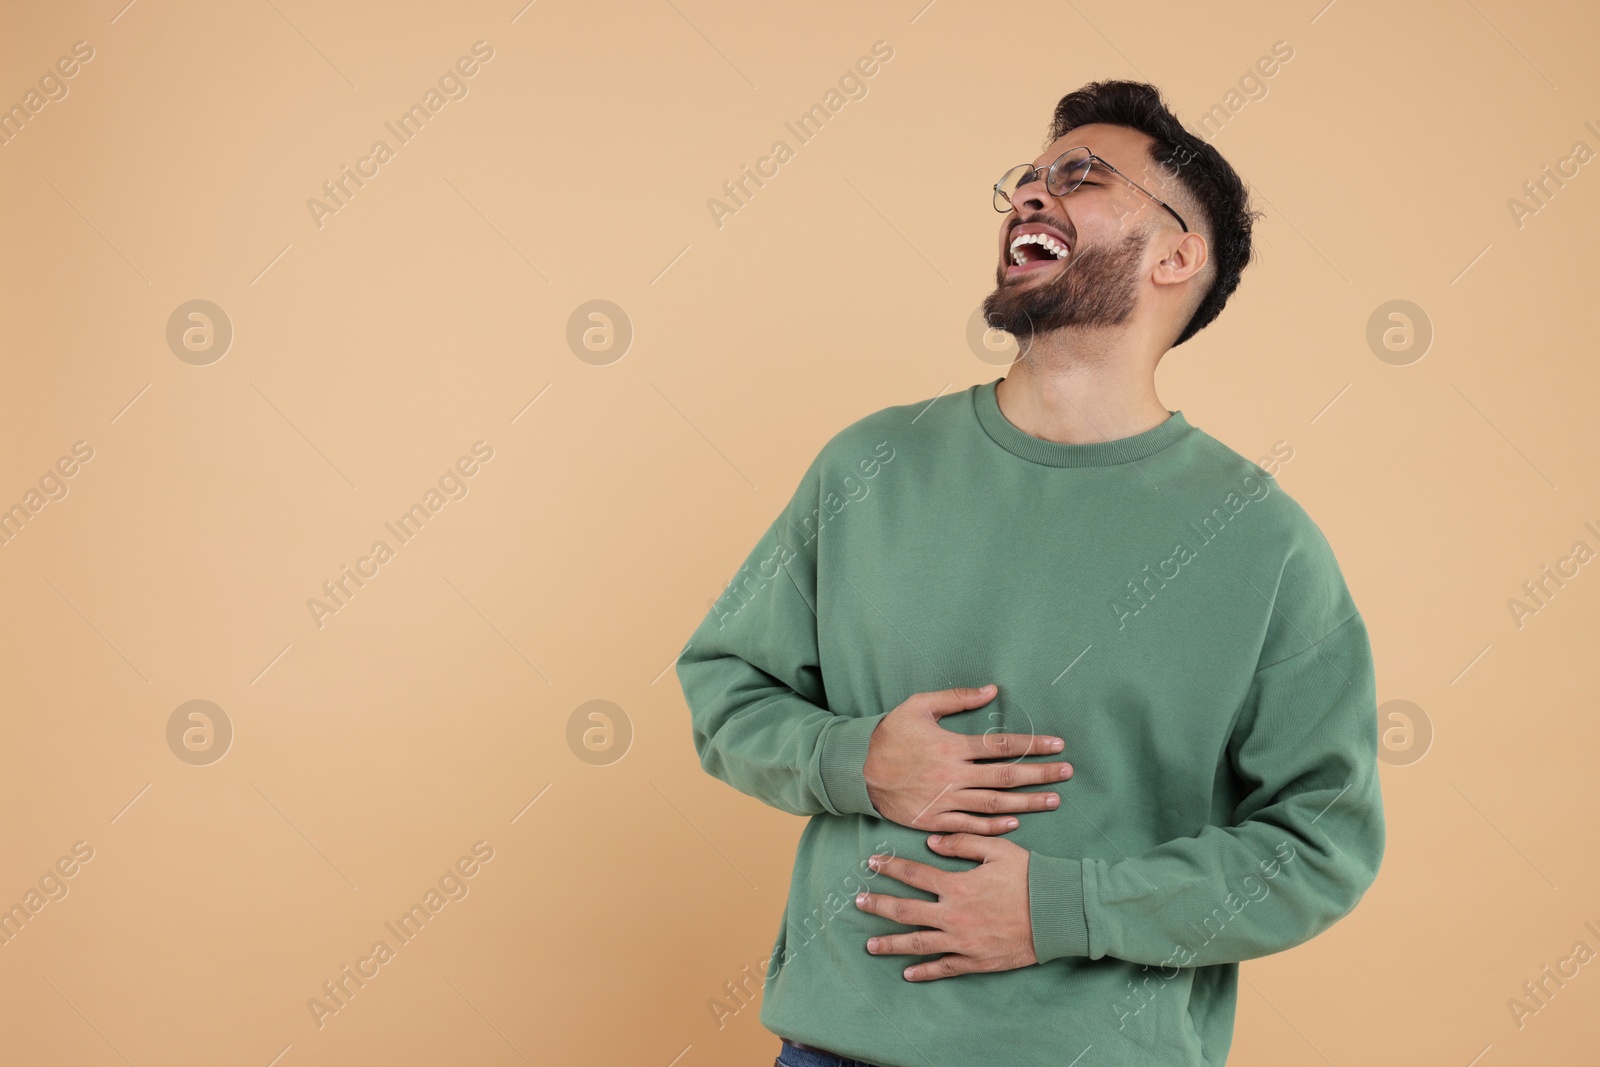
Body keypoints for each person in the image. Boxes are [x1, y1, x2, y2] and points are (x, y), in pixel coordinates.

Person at [675, 79, 1385, 1067]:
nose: (1032, 193)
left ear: (1179, 255)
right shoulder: (871, 464)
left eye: (1082, 176)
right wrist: (855, 757)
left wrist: (1069, 906)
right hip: (838, 1047)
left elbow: (1321, 845)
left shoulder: (1262, 541)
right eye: (1028, 177)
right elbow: (724, 689)